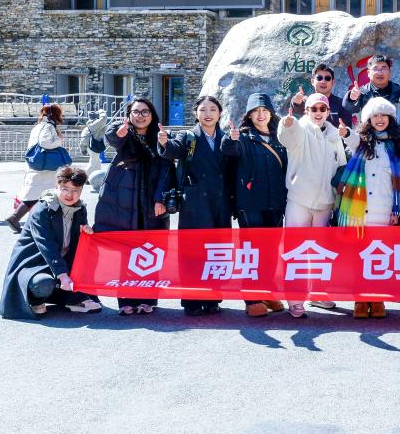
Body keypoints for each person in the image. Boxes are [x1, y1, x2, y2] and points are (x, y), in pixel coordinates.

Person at [160, 95, 235, 316]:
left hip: (220, 202)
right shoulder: (188, 136)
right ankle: (192, 299)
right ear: (196, 113)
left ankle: (213, 298)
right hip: (195, 202)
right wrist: (164, 142)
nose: (208, 114)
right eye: (203, 109)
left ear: (220, 113)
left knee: (217, 251)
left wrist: (235, 143)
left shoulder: (226, 137)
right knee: (192, 252)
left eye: (213, 109)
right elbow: (174, 149)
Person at [95, 96, 172, 315]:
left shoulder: (160, 137)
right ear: (129, 115)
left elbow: (166, 169)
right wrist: (119, 132)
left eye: (145, 112)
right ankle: (125, 299)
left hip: (151, 202)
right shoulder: (124, 133)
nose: (140, 116)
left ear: (152, 115)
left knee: (151, 250)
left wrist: (161, 199)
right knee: (126, 250)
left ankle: (149, 298)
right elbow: (112, 136)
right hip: (124, 200)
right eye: (136, 112)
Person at [335, 97, 400, 320]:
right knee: (358, 257)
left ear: (390, 119)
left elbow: (399, 185)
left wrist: (396, 211)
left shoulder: (396, 146)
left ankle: (377, 298)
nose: (379, 119)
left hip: (384, 210)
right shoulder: (362, 143)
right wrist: (345, 133)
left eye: (383, 115)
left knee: (379, 257)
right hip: (359, 212)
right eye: (375, 115)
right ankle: (359, 299)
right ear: (368, 119)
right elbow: (352, 138)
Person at [279, 92, 350, 318]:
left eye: (322, 109)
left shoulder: (334, 134)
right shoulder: (300, 128)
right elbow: (288, 137)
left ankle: (318, 292)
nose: (318, 113)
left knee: (320, 251)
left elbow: (341, 165)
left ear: (328, 111)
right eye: (314, 109)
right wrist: (287, 124)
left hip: (325, 202)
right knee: (295, 250)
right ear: (307, 111)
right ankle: (295, 298)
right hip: (299, 199)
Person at [0, 166, 103, 319]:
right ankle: (35, 300)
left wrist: (86, 233)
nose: (69, 195)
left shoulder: (80, 209)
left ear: (81, 190)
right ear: (56, 186)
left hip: (62, 260)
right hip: (35, 263)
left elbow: (77, 245)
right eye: (65, 189)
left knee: (87, 263)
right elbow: (47, 246)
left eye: (75, 190)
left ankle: (73, 299)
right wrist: (63, 275)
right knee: (43, 283)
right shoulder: (42, 210)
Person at [224, 94, 289, 317]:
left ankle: (267, 292)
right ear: (249, 115)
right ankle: (251, 298)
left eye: (264, 110)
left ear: (271, 113)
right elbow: (229, 151)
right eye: (256, 111)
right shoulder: (242, 138)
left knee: (271, 250)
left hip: (276, 202)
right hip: (250, 203)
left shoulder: (280, 137)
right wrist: (230, 140)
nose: (261, 115)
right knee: (252, 252)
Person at [6, 103, 68, 233]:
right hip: (45, 168)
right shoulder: (48, 126)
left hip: (38, 165)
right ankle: (16, 218)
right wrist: (59, 140)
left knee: (35, 196)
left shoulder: (38, 126)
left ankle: (17, 218)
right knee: (47, 196)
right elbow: (45, 143)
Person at [343, 54, 400, 124]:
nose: (380, 73)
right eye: (375, 69)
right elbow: (349, 108)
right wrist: (351, 98)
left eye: (384, 68)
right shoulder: (362, 92)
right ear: (368, 73)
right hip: (369, 130)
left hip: (395, 130)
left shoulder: (399, 92)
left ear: (389, 72)